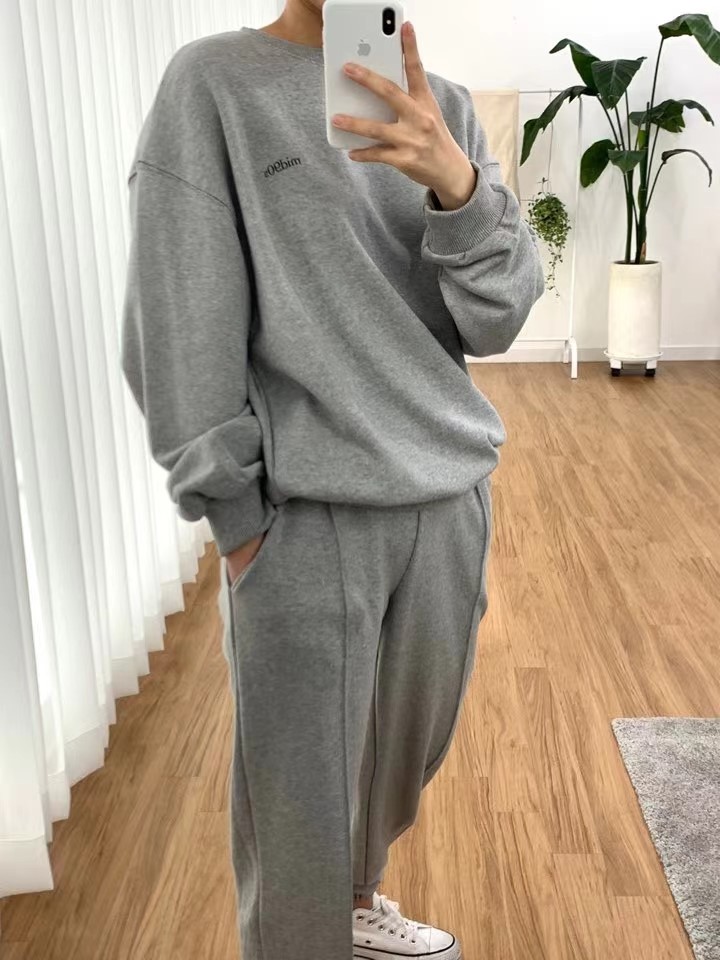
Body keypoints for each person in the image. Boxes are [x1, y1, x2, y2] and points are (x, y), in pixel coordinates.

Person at [120, 0, 544, 957]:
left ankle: (352, 908)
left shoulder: (446, 109)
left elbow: (499, 320)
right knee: (297, 815)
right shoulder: (214, 86)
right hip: (305, 519)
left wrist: (457, 184)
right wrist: (237, 518)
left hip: (446, 501)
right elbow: (179, 317)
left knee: (397, 766)